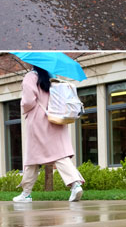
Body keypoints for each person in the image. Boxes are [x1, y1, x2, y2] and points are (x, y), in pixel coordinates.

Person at [14, 65, 85, 204]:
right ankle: (75, 185)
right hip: (56, 118)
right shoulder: (54, 77)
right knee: (60, 155)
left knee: (32, 158)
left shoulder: (31, 77)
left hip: (39, 121)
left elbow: (28, 101)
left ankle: (26, 193)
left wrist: (23, 105)